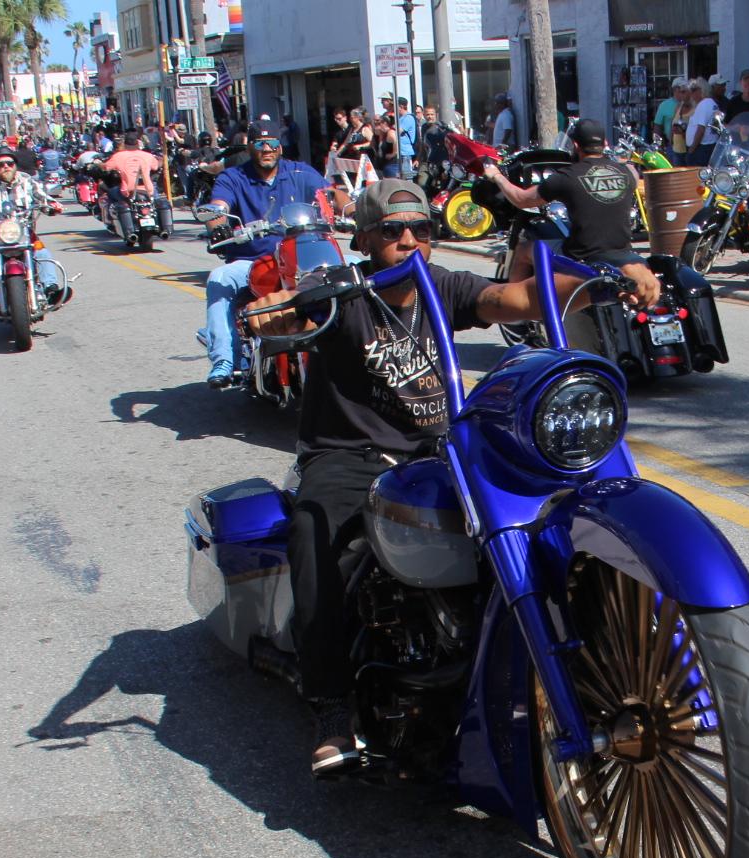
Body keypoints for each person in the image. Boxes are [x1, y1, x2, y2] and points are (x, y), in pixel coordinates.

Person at [243, 180, 645, 773]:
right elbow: (281, 311)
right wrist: (270, 313)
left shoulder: (443, 286)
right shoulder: (341, 292)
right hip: (349, 453)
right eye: (392, 230)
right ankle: (330, 704)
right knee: (313, 531)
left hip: (435, 451)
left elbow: (517, 297)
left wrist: (601, 285)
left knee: (540, 511)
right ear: (365, 239)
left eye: (422, 229)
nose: (409, 240)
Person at [199, 122, 338, 389]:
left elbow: (330, 194)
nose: (267, 149)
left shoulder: (299, 172)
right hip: (253, 261)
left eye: (272, 143)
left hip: (302, 256)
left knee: (356, 271)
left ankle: (366, 348)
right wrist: (218, 226)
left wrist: (356, 209)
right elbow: (218, 207)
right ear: (249, 146)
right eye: (260, 143)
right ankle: (225, 359)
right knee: (220, 279)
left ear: (280, 147)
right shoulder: (233, 177)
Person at [480, 117, 663, 304]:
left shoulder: (567, 177)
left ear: (575, 145)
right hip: (622, 251)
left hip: (580, 255)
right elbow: (632, 170)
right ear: (605, 143)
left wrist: (497, 176)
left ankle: (513, 307)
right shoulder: (627, 174)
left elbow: (521, 200)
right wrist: (619, 162)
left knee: (523, 251)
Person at [0, 149, 69, 311]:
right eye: (1, 164)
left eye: (9, 163)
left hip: (24, 231)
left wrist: (52, 205)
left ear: (15, 165)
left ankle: (51, 289)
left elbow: (42, 197)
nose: (6, 167)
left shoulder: (28, 183)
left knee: (42, 253)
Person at [103, 129, 166, 226]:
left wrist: (98, 164)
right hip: (148, 190)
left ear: (124, 144)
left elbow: (105, 167)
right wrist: (161, 160)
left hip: (127, 191)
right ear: (137, 143)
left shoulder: (118, 156)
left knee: (110, 192)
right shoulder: (148, 155)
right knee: (156, 199)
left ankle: (110, 219)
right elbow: (156, 166)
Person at [682, 79, 720, 165]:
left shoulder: (704, 104)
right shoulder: (711, 103)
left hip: (701, 149)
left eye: (694, 90)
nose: (691, 93)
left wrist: (691, 150)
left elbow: (701, 129)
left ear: (702, 90)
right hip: (708, 147)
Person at [653, 78, 687, 155]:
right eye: (681, 88)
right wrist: (658, 146)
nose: (683, 90)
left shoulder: (690, 104)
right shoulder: (664, 105)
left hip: (688, 145)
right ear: (674, 90)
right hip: (672, 145)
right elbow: (657, 127)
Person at [395, 97, 418, 179]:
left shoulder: (408, 118)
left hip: (406, 153)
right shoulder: (400, 118)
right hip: (400, 153)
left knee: (407, 177)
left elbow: (398, 131)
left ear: (401, 106)